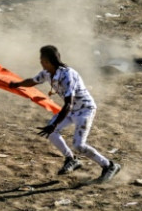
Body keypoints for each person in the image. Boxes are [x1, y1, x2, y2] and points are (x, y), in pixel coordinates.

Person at [8, 45, 121, 182]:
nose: (40, 62)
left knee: (79, 145)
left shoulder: (68, 75)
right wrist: (17, 84)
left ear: (48, 61)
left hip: (84, 109)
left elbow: (68, 103)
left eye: (42, 60)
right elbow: (32, 81)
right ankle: (71, 159)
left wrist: (55, 123)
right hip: (71, 110)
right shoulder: (47, 73)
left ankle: (109, 165)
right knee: (51, 132)